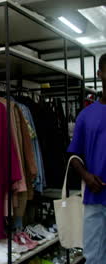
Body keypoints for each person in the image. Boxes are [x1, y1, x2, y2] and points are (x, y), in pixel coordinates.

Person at [68, 53, 106, 264]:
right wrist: (86, 176)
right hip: (95, 198)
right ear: (100, 74)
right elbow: (73, 154)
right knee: (93, 258)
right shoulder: (86, 115)